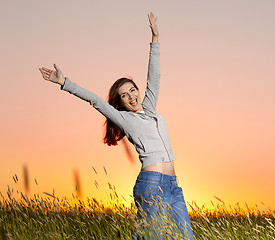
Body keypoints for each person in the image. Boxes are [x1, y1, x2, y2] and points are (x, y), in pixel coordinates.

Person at [39, 12, 194, 239]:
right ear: (119, 103)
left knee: (186, 237)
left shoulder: (150, 109)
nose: (131, 96)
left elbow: (155, 77)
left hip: (173, 186)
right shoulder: (125, 120)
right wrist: (64, 83)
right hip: (151, 185)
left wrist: (155, 38)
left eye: (132, 90)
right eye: (124, 95)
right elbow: (96, 101)